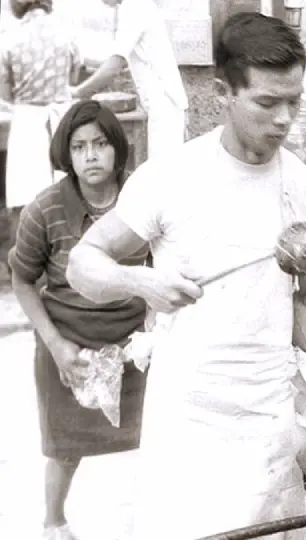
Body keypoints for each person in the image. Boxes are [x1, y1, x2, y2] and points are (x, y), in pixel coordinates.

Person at [64, 13, 306, 540]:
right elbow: (83, 265)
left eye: (293, 101)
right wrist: (141, 284)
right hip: (188, 419)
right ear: (221, 94)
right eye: (266, 102)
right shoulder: (172, 178)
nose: (284, 119)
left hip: (268, 420)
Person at [8, 99, 148, 540]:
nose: (91, 155)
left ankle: (150, 521)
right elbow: (23, 281)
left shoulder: (142, 201)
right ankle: (54, 522)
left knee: (156, 436)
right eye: (80, 146)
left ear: (117, 149)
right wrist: (57, 346)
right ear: (66, 155)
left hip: (134, 346)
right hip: (68, 346)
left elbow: (168, 265)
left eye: (101, 144)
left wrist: (153, 333)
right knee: (64, 448)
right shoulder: (45, 210)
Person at [1, 0, 79, 274]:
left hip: (27, 120)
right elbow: (74, 73)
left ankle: (24, 271)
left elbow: (5, 93)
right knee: (67, 192)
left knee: (23, 197)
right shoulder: (64, 31)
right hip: (60, 117)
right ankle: (69, 266)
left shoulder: (10, 38)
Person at [70, 0, 189, 160]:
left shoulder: (135, 8)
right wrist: (82, 59)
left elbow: (115, 65)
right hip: (162, 103)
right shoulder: (134, 6)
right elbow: (116, 59)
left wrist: (77, 92)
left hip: (165, 104)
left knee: (164, 172)